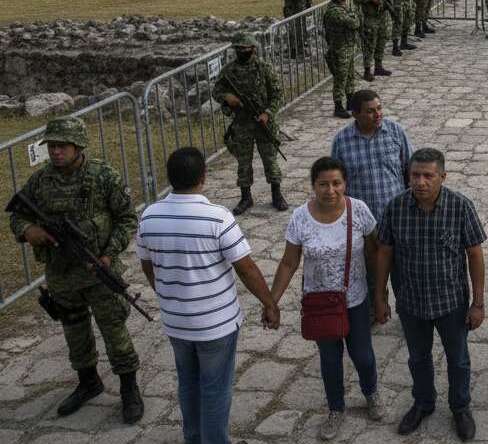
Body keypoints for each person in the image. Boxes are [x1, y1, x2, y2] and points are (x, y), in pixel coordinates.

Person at [137, 147, 279, 444]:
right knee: (215, 389)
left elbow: (147, 264)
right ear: (203, 176)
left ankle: (194, 438)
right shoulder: (217, 217)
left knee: (188, 384)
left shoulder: (149, 216)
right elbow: (246, 268)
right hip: (215, 324)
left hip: (176, 322)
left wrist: (167, 294)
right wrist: (269, 302)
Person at [7, 117, 144, 423]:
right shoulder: (40, 182)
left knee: (113, 329)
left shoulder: (103, 175)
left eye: (62, 146)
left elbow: (126, 218)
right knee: (74, 329)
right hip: (61, 274)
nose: (56, 152)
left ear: (78, 146)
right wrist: (28, 229)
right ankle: (88, 381)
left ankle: (129, 387)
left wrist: (109, 254)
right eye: (52, 146)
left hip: (98, 270)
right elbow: (16, 215)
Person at [374, 149, 486, 441]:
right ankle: (423, 403)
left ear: (442, 177)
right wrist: (380, 296)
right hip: (411, 302)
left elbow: (475, 255)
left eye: (428, 176)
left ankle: (460, 407)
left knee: (458, 359)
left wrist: (478, 303)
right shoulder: (395, 207)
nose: (421, 182)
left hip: (451, 302)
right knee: (418, 358)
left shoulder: (460, 207)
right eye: (415, 175)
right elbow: (384, 251)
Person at [271, 157, 383, 439]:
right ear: (313, 186)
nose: (330, 190)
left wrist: (381, 294)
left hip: (355, 299)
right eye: (323, 184)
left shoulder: (358, 211)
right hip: (320, 304)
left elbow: (376, 252)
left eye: (336, 183)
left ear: (345, 184)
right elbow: (288, 263)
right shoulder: (300, 217)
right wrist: (271, 301)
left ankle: (371, 393)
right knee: (330, 359)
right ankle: (336, 408)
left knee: (364, 355)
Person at [214, 31, 287, 215]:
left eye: (244, 49)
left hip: (264, 123)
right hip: (241, 124)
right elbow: (216, 91)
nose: (241, 52)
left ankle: (276, 194)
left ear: (253, 49)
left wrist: (267, 113)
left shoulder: (264, 69)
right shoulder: (229, 71)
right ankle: (246, 197)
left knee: (270, 160)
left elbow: (278, 94)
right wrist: (227, 97)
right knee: (243, 162)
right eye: (237, 49)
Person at [331, 89, 413, 220]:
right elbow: (335, 179)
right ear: (355, 114)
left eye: (379, 108)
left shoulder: (396, 131)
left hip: (395, 212)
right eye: (370, 111)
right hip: (359, 217)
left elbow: (410, 167)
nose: (378, 114)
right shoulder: (341, 141)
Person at [323, 0, 361, 119]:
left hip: (347, 47)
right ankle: (338, 106)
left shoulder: (341, 8)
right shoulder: (335, 11)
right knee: (340, 79)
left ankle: (350, 101)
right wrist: (355, 16)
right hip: (340, 49)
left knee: (350, 75)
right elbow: (354, 23)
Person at [353, 0, 395, 80]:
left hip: (383, 18)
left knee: (381, 43)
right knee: (369, 45)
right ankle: (367, 70)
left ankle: (378, 67)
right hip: (370, 19)